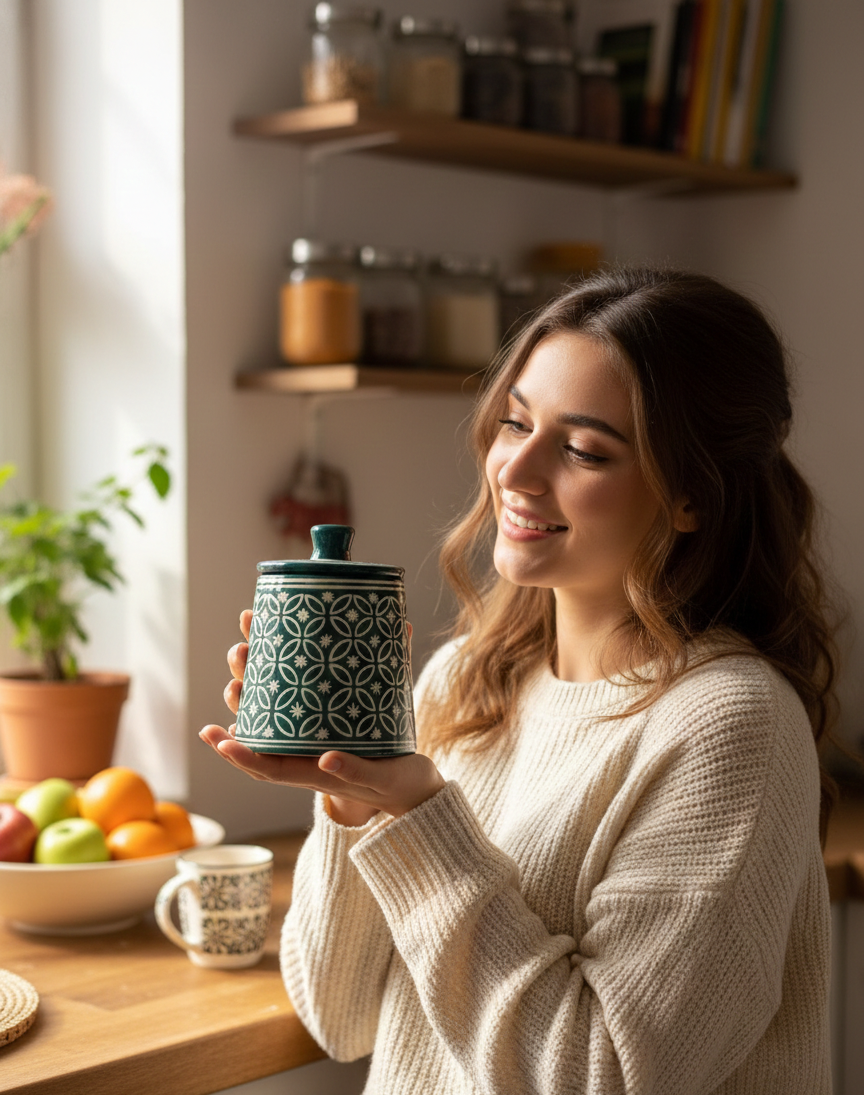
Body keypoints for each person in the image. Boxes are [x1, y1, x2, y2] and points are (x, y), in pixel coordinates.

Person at [200, 266, 840, 1094]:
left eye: (582, 449)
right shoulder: (461, 682)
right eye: (514, 422)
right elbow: (339, 1012)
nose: (517, 470)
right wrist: (354, 792)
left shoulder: (731, 725)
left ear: (691, 497)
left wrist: (419, 814)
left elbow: (598, 1075)